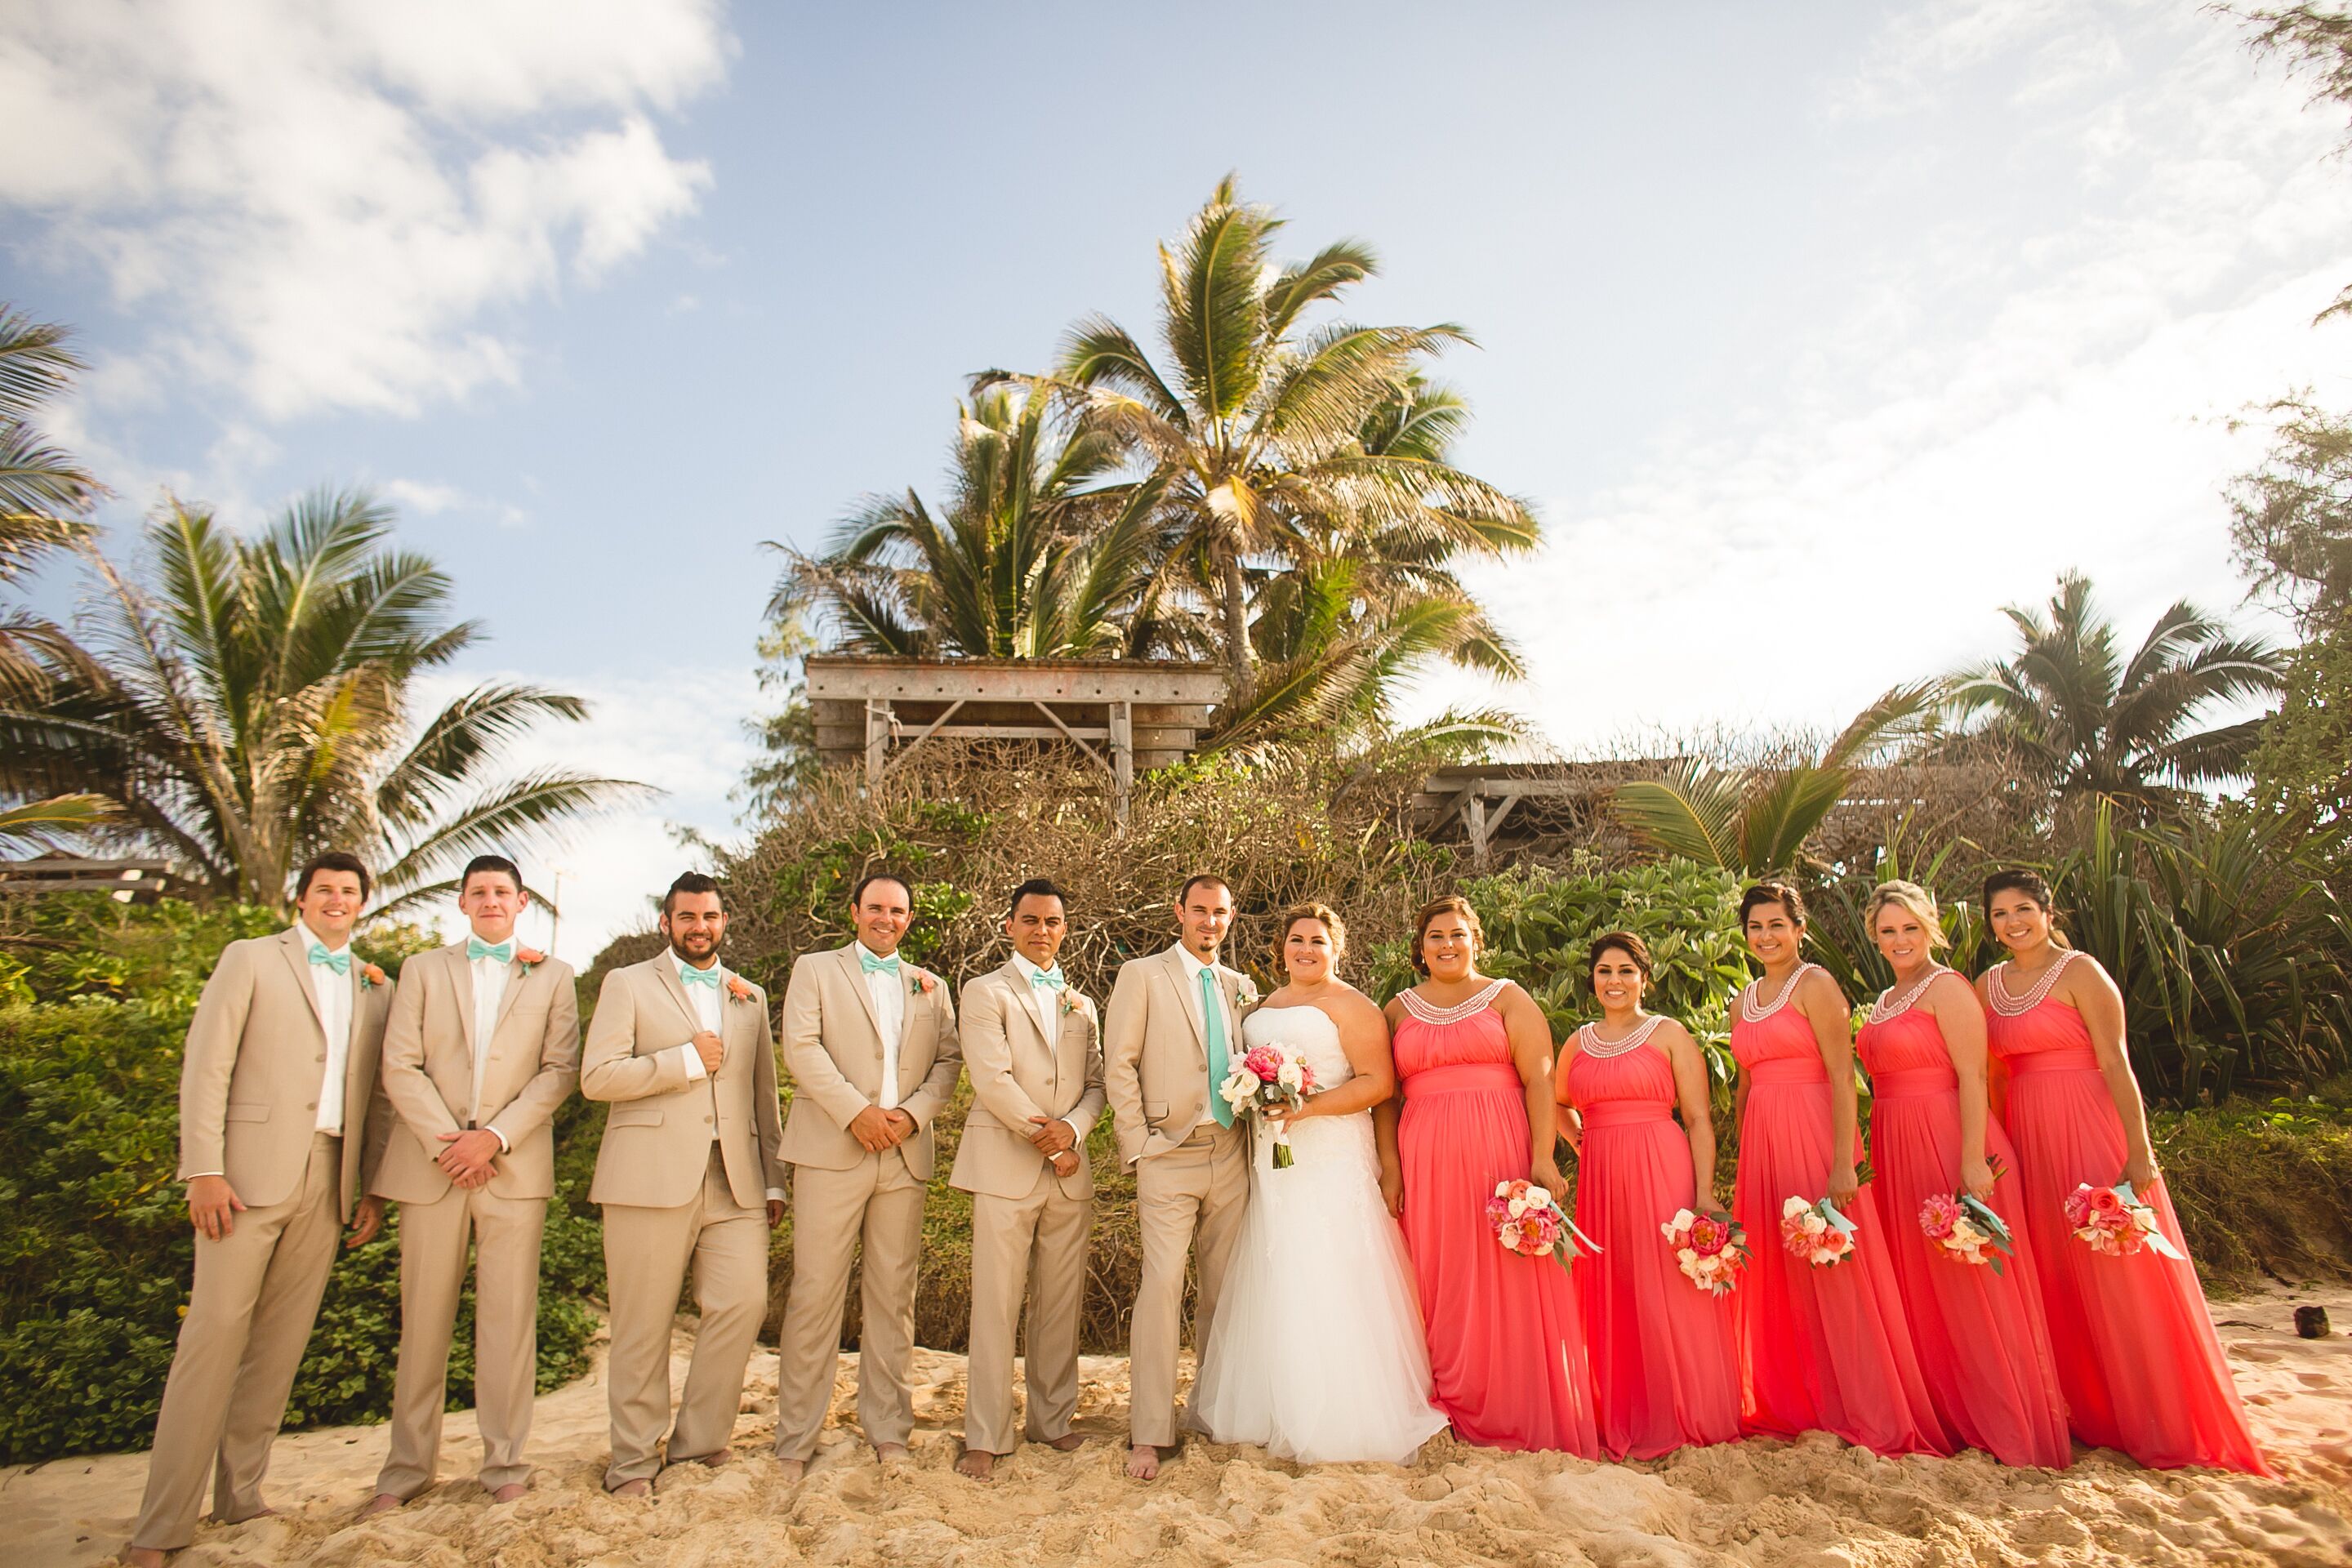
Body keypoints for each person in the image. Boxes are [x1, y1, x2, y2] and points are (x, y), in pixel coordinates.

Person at [127, 853, 394, 1567]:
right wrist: (204, 1170)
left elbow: (377, 1098)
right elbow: (206, 1064)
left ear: (363, 904)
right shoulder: (250, 958)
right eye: (324, 890)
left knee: (278, 1347)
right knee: (211, 1340)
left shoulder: (376, 986)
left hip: (329, 1178)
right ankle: (160, 1526)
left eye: (348, 892)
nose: (336, 900)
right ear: (299, 899)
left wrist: (368, 1185)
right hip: (242, 1179)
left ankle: (240, 1493)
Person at [1978, 869, 2268, 1473]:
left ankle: (2162, 1416)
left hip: (2088, 1127)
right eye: (2001, 914)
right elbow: (1998, 1075)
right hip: (2029, 1138)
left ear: (2049, 911)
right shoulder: (1988, 986)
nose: (2014, 923)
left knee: (2120, 1269)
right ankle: (2093, 1411)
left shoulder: (2082, 972)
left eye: (2024, 909)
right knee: (2060, 1271)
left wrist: (2138, 1151)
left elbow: (2117, 1062)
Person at [1192, 904, 1446, 1464]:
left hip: (1329, 1153)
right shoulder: (1262, 1006)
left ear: (1338, 949)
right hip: (1274, 1157)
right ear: (1281, 947)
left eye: (1318, 941)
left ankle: (1340, 1412)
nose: (1306, 950)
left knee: (1328, 1267)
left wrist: (1305, 1109)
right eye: (1296, 940)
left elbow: (1379, 1083)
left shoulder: (1352, 1006)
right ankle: (1274, 1404)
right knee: (1279, 1265)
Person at [366, 854, 582, 1512]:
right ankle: (405, 1470)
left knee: (509, 1322)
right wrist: (451, 1145)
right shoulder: (423, 970)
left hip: (512, 1169)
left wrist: (493, 1138)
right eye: (478, 891)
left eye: (502, 892)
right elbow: (399, 1066)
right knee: (423, 1322)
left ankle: (506, 1461)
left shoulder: (556, 977)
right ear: (462, 904)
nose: (491, 900)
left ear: (522, 904)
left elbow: (559, 1070)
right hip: (432, 1168)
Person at [581, 872, 786, 1495]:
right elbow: (598, 1077)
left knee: (743, 1303)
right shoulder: (628, 984)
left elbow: (763, 1096)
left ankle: (699, 1442)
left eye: (711, 917)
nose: (701, 927)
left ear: (725, 922)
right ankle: (634, 1461)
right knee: (643, 1323)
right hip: (648, 1179)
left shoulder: (749, 995)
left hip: (737, 1180)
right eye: (688, 917)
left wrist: (773, 1180)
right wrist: (686, 1061)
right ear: (665, 923)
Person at [1728, 880, 1948, 1456]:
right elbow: (1746, 1087)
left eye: (1777, 924)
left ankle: (1868, 1405)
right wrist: (1745, 1156)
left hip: (1812, 1132)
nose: (1766, 935)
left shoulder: (1817, 985)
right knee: (1780, 1269)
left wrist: (1843, 1162)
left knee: (1834, 1268)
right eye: (1756, 926)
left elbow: (1841, 1075)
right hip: (1763, 1144)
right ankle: (1796, 1400)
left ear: (1799, 929)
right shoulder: (1742, 999)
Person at [1855, 880, 2069, 1468]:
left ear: (1930, 928)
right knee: (1928, 1286)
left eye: (1910, 929)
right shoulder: (1887, 997)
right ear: (1875, 938)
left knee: (1975, 1285)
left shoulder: (1945, 988)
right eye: (1888, 931)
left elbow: (1974, 1076)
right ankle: (1953, 1416)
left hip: (1949, 1137)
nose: (1900, 940)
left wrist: (1973, 1157)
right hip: (1900, 1145)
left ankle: (2009, 1425)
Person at [1379, 894, 1597, 1454]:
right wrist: (1390, 1166)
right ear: (1420, 948)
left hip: (1498, 1146)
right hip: (1425, 1154)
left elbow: (1541, 1081)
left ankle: (1517, 1404)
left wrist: (1543, 1158)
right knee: (1439, 1272)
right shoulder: (1398, 1010)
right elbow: (1384, 1097)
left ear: (1476, 939)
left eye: (1457, 934)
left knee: (1506, 1272)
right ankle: (1447, 1402)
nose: (1447, 944)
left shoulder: (1508, 998)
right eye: (1436, 936)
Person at [773, 871, 963, 1479]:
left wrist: (909, 1117)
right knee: (815, 1293)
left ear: (910, 918)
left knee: (893, 1295)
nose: (887, 918)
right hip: (833, 1148)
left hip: (903, 1155)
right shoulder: (815, 969)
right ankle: (797, 1437)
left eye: (899, 910)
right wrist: (857, 1113)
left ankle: (888, 1428)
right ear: (854, 911)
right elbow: (800, 1048)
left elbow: (949, 1062)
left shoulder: (931, 986)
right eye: (876, 907)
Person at [1552, 931, 1740, 1459]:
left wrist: (1705, 1192)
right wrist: (1582, 1142)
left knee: (1669, 1283)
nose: (1615, 981)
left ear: (1644, 978)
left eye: (1625, 971)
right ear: (1592, 980)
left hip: (1662, 1162)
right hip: (1603, 1174)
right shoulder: (1578, 1042)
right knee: (1618, 1282)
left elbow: (1700, 1118)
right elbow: (1557, 1100)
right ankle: (1629, 1408)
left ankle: (1687, 1410)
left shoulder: (1669, 1034)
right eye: (1605, 971)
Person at [949, 879, 1104, 1481]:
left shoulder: (1081, 1003)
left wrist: (1074, 1135)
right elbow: (991, 1078)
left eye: (1054, 922)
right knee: (996, 1302)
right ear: (1010, 925)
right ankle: (985, 1433)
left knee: (1059, 1304)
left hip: (1071, 1169)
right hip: (1006, 1165)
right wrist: (1049, 1141)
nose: (1043, 931)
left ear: (1066, 929)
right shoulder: (984, 992)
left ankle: (1052, 1420)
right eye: (1032, 920)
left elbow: (1096, 1084)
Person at [1103, 873, 1256, 1481]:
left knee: (1224, 1293)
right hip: (1168, 1154)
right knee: (1162, 1287)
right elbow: (1120, 1063)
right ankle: (1150, 1430)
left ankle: (1210, 1411)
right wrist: (1138, 1144)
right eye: (1199, 911)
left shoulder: (1241, 986)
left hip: (1231, 1154)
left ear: (1232, 917)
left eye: (1220, 913)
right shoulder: (1142, 975)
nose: (1209, 922)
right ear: (1179, 912)